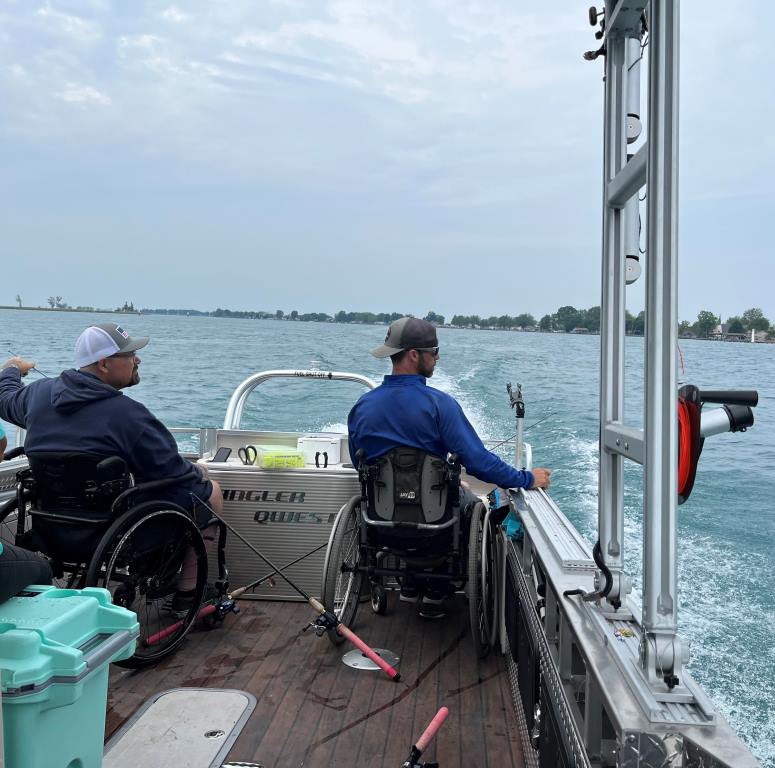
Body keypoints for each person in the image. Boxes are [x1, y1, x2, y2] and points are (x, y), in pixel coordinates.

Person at [0, 322, 223, 609]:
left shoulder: (37, 395)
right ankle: (188, 594)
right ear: (104, 364)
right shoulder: (129, 416)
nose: (137, 359)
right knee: (210, 491)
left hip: (50, 529)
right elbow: (173, 475)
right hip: (111, 532)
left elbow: (5, 398)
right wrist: (199, 471)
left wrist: (12, 369)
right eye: (130, 355)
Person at [348, 316, 551, 603]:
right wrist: (527, 478)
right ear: (414, 355)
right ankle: (437, 589)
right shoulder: (440, 405)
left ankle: (409, 584)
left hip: (380, 525)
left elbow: (361, 466)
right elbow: (478, 462)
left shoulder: (363, 406)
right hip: (437, 531)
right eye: (435, 352)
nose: (437, 358)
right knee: (466, 500)